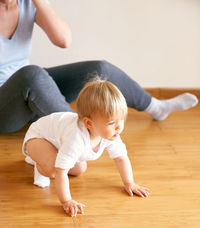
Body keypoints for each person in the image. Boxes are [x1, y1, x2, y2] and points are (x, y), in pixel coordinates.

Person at [0, 0, 198, 133]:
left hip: (29, 92)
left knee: (99, 68)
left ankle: (156, 108)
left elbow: (63, 40)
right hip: (5, 109)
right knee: (32, 74)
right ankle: (80, 138)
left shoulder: (28, 4)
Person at [22, 80, 150, 217]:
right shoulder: (75, 139)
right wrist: (66, 201)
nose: (119, 127)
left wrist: (129, 183)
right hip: (38, 138)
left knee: (79, 169)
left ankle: (48, 157)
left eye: (121, 120)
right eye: (112, 123)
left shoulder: (112, 134)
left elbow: (121, 158)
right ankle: (38, 163)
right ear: (89, 123)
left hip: (59, 141)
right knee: (53, 169)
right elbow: (61, 172)